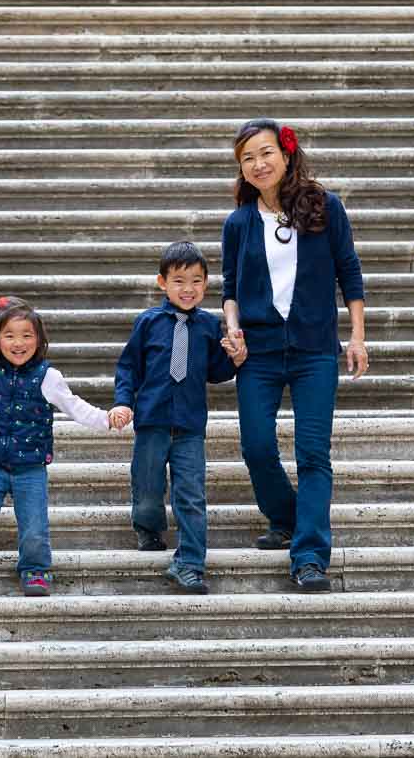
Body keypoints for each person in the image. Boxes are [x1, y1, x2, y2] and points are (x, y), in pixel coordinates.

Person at [220, 118, 367, 593]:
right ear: (241, 169)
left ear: (286, 156)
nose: (258, 164)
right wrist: (234, 329)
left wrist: (358, 336)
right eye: (247, 158)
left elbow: (350, 273)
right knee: (257, 446)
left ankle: (309, 557)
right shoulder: (238, 223)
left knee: (312, 454)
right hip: (258, 353)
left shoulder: (326, 208)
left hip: (314, 351)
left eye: (265, 153)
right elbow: (229, 287)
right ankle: (286, 516)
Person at [0, 296, 120, 597]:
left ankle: (34, 569)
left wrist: (106, 418)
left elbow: (75, 406)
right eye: (10, 335)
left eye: (27, 335)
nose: (18, 343)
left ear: (39, 341)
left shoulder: (48, 377)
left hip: (31, 466)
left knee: (35, 525)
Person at [110, 241, 244, 595]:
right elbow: (128, 368)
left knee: (190, 494)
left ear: (206, 284)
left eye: (196, 281)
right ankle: (149, 528)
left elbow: (215, 372)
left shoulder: (209, 326)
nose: (188, 289)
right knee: (148, 487)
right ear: (162, 283)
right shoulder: (148, 323)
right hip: (152, 422)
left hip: (189, 427)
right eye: (179, 281)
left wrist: (233, 358)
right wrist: (123, 403)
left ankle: (190, 564)